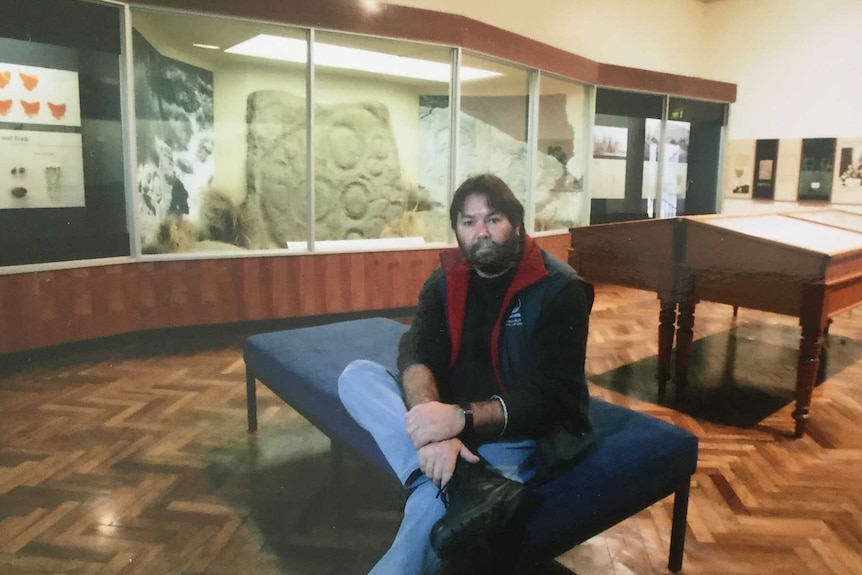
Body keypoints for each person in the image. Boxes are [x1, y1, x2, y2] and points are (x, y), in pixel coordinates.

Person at [338, 174, 595, 574]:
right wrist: (431, 417)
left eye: (493, 220)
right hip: (447, 415)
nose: (482, 233)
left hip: (516, 433)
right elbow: (417, 348)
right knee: (358, 376)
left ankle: (451, 480)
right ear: (457, 229)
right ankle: (468, 482)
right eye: (469, 222)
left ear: (516, 223)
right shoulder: (447, 279)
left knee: (429, 501)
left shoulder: (559, 289)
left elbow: (552, 397)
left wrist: (461, 418)